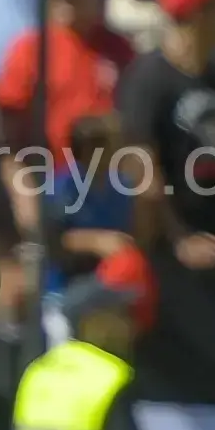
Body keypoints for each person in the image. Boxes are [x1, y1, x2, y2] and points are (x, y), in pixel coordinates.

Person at [0, 0, 134, 243]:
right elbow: (8, 146)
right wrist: (28, 207)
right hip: (55, 191)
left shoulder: (119, 49)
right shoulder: (29, 50)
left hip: (113, 189)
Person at [117, 0, 215, 268]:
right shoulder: (148, 78)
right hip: (167, 250)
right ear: (197, 15)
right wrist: (180, 238)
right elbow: (141, 167)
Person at [42, 113, 156, 348]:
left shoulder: (122, 185)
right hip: (65, 292)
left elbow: (138, 236)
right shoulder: (62, 186)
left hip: (112, 292)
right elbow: (52, 240)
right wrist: (96, 241)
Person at [11, 276, 142, 430]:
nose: (131, 326)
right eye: (121, 314)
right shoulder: (112, 377)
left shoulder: (38, 370)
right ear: (96, 323)